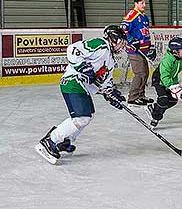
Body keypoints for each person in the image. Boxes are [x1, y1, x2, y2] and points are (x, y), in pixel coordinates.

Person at [35, 25, 128, 164]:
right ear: (113, 39)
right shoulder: (101, 45)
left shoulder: (111, 61)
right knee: (83, 117)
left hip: (81, 87)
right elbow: (73, 50)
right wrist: (82, 66)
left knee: (87, 116)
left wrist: (111, 94)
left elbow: (103, 83)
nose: (123, 45)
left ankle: (67, 141)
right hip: (73, 82)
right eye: (121, 41)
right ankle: (49, 141)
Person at [146, 37, 182, 128]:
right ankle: (155, 118)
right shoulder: (167, 61)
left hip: (172, 80)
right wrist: (173, 87)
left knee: (173, 100)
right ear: (175, 51)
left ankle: (154, 108)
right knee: (163, 99)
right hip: (160, 80)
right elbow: (165, 77)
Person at [121, 0, 157, 106]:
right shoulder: (132, 15)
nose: (144, 5)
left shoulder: (144, 17)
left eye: (145, 3)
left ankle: (141, 95)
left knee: (145, 73)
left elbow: (145, 33)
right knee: (140, 73)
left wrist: (150, 46)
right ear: (136, 3)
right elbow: (123, 29)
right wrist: (131, 40)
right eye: (141, 3)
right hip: (134, 51)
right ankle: (133, 97)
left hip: (143, 51)